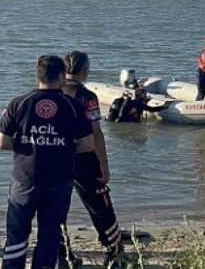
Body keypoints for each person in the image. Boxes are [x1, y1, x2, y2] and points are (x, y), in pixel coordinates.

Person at [0, 55, 94, 269]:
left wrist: (30, 145)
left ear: (38, 75)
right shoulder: (74, 106)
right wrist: (62, 146)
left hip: (25, 178)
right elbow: (87, 145)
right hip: (59, 179)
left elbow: (2, 143)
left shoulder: (18, 103)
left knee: (17, 232)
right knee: (49, 233)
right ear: (61, 76)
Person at [59, 51, 125, 268]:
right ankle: (114, 251)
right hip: (83, 157)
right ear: (85, 71)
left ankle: (63, 255)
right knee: (100, 204)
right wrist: (104, 166)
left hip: (56, 157)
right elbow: (96, 133)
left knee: (56, 208)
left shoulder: (53, 91)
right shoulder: (86, 96)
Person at [107, 88, 172, 123]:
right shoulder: (138, 103)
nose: (146, 96)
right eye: (145, 94)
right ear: (140, 95)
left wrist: (146, 101)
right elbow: (151, 109)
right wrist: (164, 106)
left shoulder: (134, 101)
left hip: (120, 121)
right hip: (127, 123)